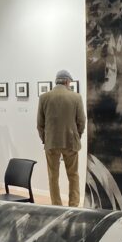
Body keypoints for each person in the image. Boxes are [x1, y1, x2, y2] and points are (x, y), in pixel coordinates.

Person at [37, 70, 86, 207]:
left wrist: (45, 139)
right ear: (66, 81)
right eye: (70, 82)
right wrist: (77, 136)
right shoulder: (76, 97)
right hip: (71, 142)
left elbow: (40, 124)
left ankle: (56, 205)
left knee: (53, 176)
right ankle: (74, 205)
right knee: (73, 176)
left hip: (51, 142)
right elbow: (81, 121)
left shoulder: (44, 97)